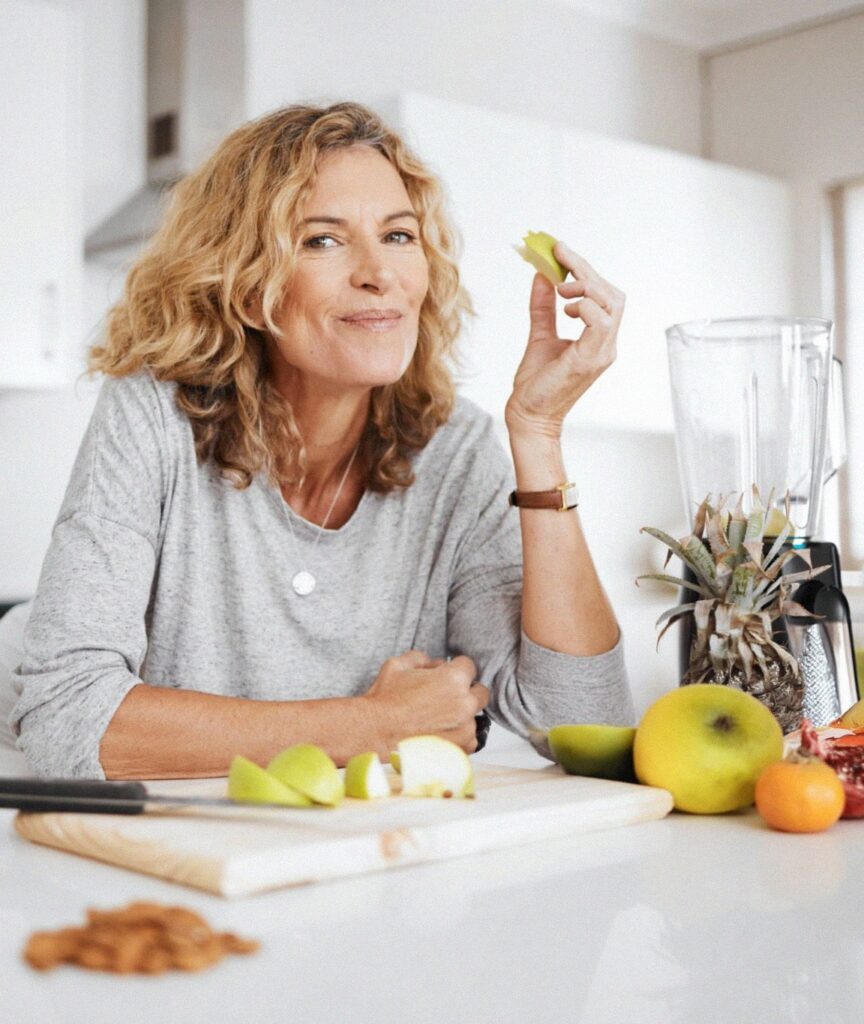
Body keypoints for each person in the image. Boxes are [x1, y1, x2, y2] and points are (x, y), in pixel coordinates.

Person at [10, 102, 632, 780]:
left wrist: (538, 435)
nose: (379, 273)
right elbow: (64, 718)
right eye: (322, 241)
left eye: (399, 235)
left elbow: (587, 725)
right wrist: (373, 725)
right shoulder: (152, 414)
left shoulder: (457, 453)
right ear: (249, 290)